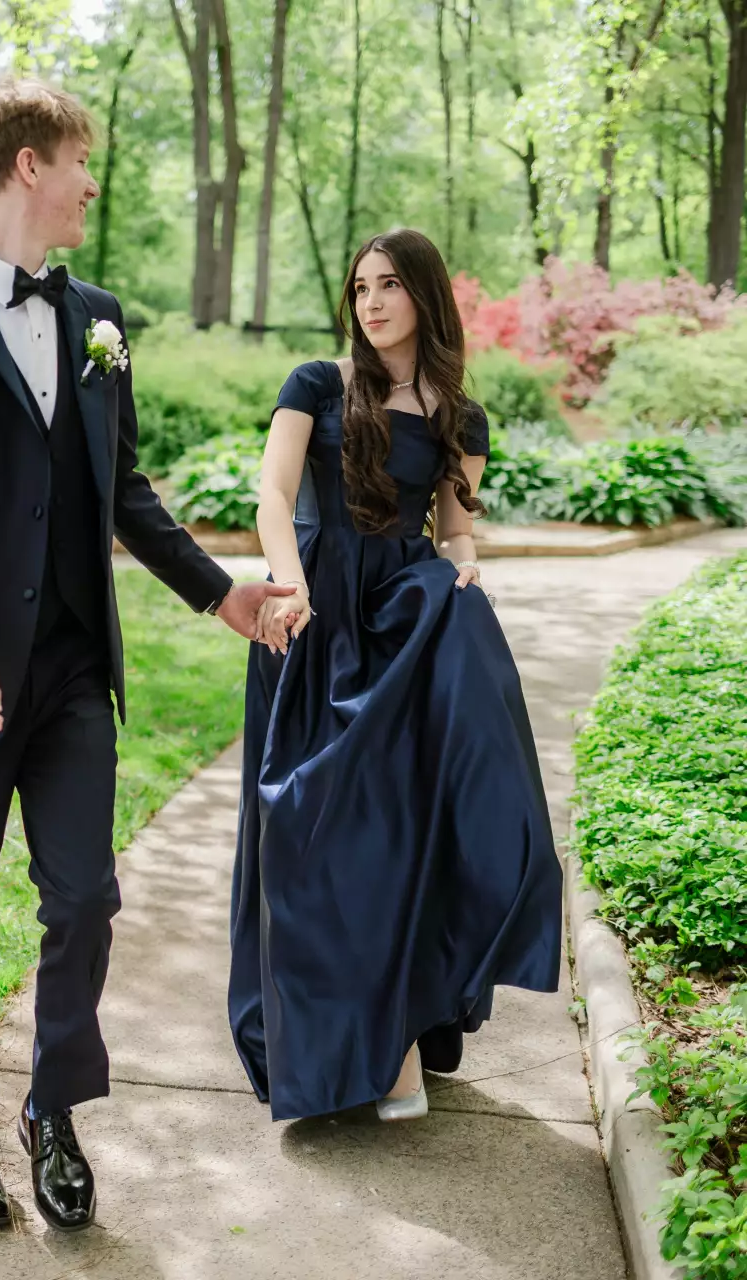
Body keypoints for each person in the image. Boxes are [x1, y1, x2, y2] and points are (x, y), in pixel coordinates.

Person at [0, 77, 292, 1232]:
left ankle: (54, 1107)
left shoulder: (97, 315)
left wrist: (220, 596)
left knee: (85, 898)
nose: (94, 181)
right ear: (29, 165)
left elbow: (120, 490)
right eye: (83, 159)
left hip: (69, 675)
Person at [229, 228, 563, 1123]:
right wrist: (287, 585)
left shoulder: (463, 416)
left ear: (424, 295)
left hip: (403, 623)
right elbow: (271, 494)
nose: (371, 302)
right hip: (311, 615)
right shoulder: (315, 384)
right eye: (360, 286)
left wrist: (466, 564)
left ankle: (401, 1038)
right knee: (310, 831)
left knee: (402, 833)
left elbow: (452, 529)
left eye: (389, 286)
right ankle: (345, 1046)